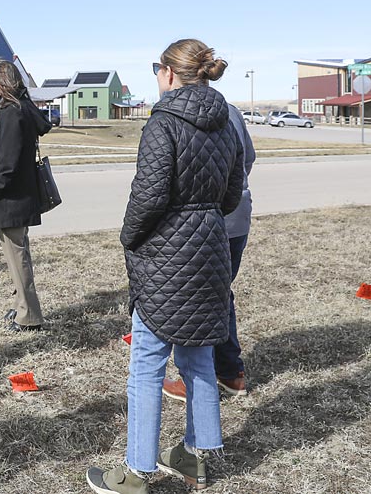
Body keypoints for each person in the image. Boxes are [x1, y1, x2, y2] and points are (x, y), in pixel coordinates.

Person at [86, 39, 245, 494]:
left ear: (170, 74)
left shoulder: (165, 123)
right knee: (198, 356)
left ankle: (136, 471)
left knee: (147, 364)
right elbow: (233, 191)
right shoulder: (226, 122)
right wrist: (202, 214)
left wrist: (130, 235)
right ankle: (195, 457)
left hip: (167, 251)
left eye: (158, 69)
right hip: (210, 244)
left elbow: (149, 195)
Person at [162, 101, 255, 401]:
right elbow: (247, 158)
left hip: (207, 221)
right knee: (220, 294)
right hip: (237, 215)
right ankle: (230, 374)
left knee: (198, 300)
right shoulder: (232, 111)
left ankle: (197, 380)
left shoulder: (175, 114)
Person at [0, 57, 52, 332]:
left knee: (17, 255)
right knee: (16, 253)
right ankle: (21, 305)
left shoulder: (11, 112)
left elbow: (8, 162)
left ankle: (29, 315)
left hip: (12, 197)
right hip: (19, 195)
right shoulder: (18, 108)